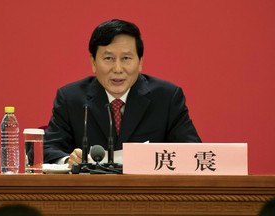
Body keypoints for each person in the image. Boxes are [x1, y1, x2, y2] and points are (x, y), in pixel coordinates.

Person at [43, 19, 201, 167]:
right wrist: (67, 160)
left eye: (126, 58)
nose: (118, 69)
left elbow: (193, 152)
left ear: (140, 62)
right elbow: (49, 148)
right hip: (90, 193)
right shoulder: (71, 98)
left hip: (149, 192)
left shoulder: (167, 97)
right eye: (108, 58)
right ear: (93, 62)